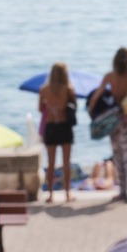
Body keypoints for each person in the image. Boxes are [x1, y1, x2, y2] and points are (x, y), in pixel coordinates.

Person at [88, 47, 127, 201]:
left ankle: (122, 190)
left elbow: (95, 98)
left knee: (118, 154)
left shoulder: (109, 76)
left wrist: (93, 115)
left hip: (113, 119)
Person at [39, 62, 77, 203]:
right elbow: (73, 107)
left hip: (51, 126)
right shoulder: (68, 89)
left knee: (50, 163)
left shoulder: (44, 89)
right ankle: (67, 194)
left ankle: (50, 194)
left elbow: (40, 108)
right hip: (64, 126)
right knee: (66, 162)